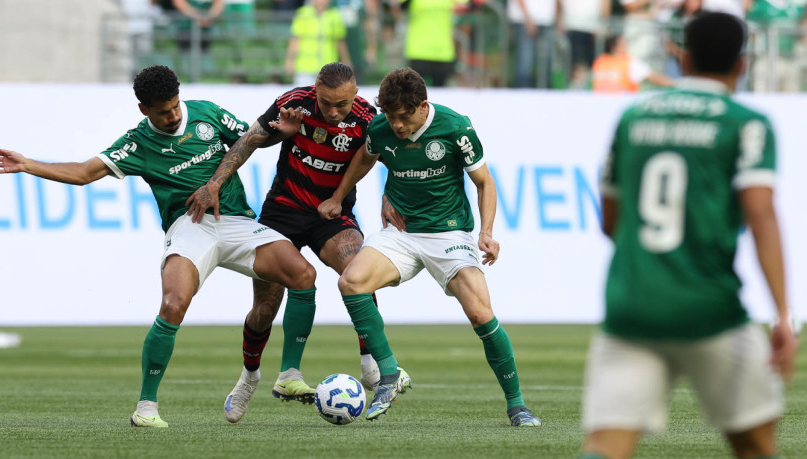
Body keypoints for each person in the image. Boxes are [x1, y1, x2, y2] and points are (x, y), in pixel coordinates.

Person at [0, 65, 319, 428]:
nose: (173, 115)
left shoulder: (207, 114)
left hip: (237, 221)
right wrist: (28, 164)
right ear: (143, 109)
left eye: (176, 106)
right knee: (173, 303)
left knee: (303, 274)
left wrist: (281, 134)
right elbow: (85, 173)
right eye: (163, 111)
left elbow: (250, 140)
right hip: (190, 227)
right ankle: (146, 408)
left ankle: (286, 374)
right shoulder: (137, 143)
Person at [580, 12, 798, 459]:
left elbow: (609, 221)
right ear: (743, 64)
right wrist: (782, 312)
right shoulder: (747, 123)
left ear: (681, 56)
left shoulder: (632, 118)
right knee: (755, 442)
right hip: (710, 308)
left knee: (604, 447)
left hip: (632, 306)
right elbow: (761, 214)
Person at [185, 62, 409, 425]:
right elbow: (249, 140)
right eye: (326, 103)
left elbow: (396, 158)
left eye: (342, 105)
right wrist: (215, 183)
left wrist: (389, 195)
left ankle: (369, 364)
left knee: (360, 271)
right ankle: (250, 378)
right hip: (283, 212)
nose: (334, 113)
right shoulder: (294, 103)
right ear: (315, 90)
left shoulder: (369, 116)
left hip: (331, 214)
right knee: (264, 308)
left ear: (355, 95)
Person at [316, 67, 542, 426]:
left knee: (481, 315)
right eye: (391, 117)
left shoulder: (455, 127)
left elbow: (484, 182)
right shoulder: (380, 128)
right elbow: (366, 156)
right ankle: (388, 374)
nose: (398, 126)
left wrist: (486, 232)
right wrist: (339, 196)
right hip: (401, 234)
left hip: (449, 235)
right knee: (350, 282)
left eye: (404, 117)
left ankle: (517, 405)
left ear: (423, 106)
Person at [285, 0, 353, 86]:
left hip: (329, 69)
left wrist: (346, 63)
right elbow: (295, 40)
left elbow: (340, 42)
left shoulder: (335, 15)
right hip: (305, 67)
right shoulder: (302, 13)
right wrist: (290, 61)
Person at [591, 34, 675, 92]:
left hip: (601, 104)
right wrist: (675, 84)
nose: (627, 46)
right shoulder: (628, 62)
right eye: (624, 44)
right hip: (623, 105)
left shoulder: (599, 61)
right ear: (615, 47)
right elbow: (653, 77)